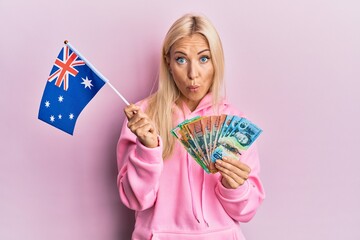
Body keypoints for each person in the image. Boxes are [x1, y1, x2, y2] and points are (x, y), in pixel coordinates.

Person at [117, 13, 265, 240]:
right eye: (181, 59)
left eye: (204, 59)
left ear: (216, 62)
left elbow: (247, 211)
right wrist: (147, 150)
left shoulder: (234, 121)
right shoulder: (142, 118)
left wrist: (234, 186)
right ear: (168, 62)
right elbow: (136, 199)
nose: (192, 74)